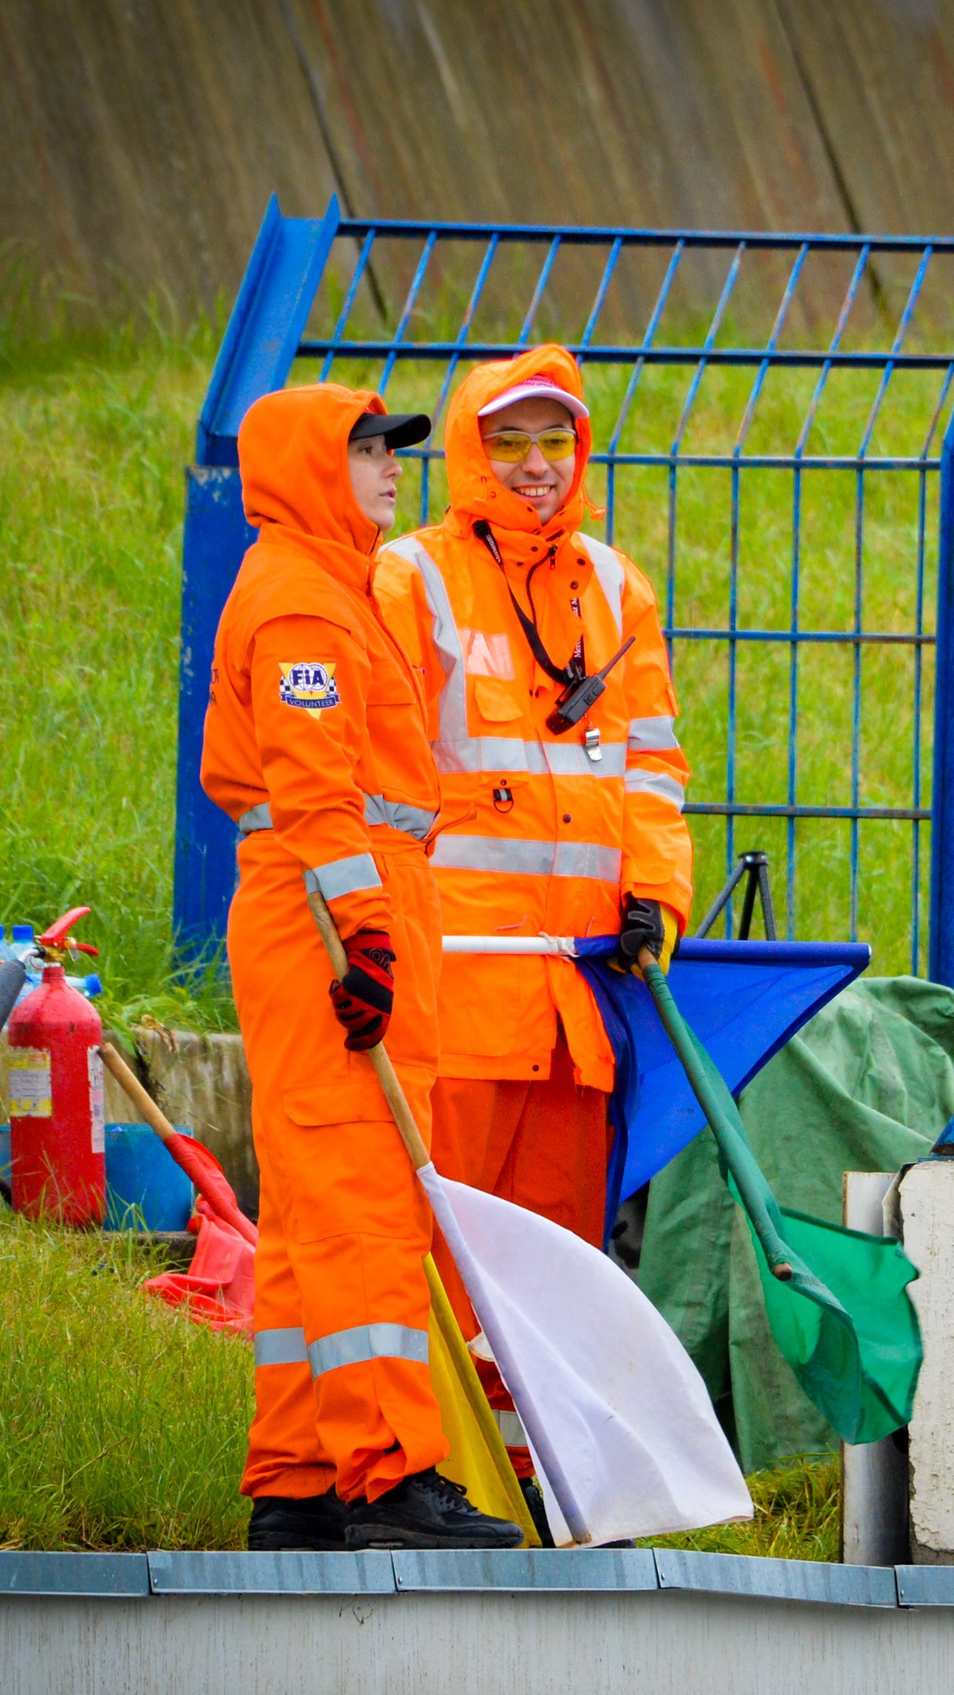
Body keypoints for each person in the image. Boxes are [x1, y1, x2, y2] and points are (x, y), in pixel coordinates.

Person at [201, 381, 520, 1552]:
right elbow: (317, 791)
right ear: (306, 469)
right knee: (365, 1202)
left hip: (333, 909)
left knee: (309, 1212)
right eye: (369, 451)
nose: (394, 468)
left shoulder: (327, 586)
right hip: (329, 916)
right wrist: (367, 935)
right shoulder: (300, 601)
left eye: (394, 450)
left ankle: (295, 1482)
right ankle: (386, 1479)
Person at [372, 346, 692, 1495]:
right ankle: (430, 1483)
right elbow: (383, 781)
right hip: (459, 990)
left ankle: (548, 1493)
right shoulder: (411, 579)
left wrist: (656, 891)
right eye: (510, 440)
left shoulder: (616, 587)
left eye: (555, 439)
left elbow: (653, 769)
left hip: (574, 1001)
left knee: (558, 1273)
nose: (537, 464)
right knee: (442, 1263)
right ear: (468, 451)